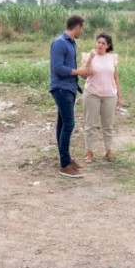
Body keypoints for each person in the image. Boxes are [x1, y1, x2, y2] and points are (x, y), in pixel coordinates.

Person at [49, 15, 92, 178]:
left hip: (69, 88)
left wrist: (80, 72)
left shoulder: (71, 43)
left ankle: (65, 159)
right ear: (77, 26)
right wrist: (79, 71)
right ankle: (65, 165)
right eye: (82, 28)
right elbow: (58, 68)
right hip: (61, 88)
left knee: (62, 124)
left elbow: (67, 67)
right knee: (68, 124)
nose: (82, 31)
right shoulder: (60, 43)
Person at [80, 32, 122, 163]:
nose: (100, 45)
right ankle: (89, 152)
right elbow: (84, 75)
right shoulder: (88, 56)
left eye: (103, 43)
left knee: (108, 125)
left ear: (108, 45)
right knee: (90, 124)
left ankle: (109, 151)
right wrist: (91, 57)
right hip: (92, 94)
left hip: (109, 95)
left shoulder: (112, 58)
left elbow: (115, 77)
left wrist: (119, 96)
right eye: (98, 42)